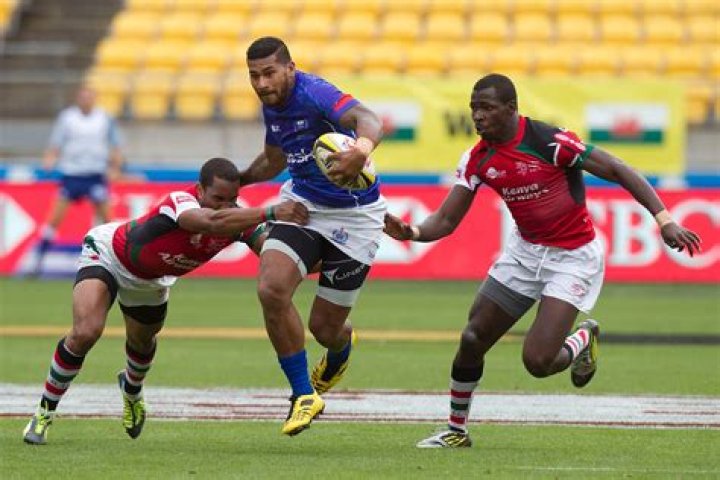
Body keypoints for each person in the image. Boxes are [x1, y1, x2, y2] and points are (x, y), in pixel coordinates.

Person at [383, 74, 702, 448]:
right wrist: (413, 232)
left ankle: (582, 339)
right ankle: (456, 431)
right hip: (524, 253)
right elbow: (446, 220)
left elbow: (617, 168)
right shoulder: (477, 158)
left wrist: (665, 220)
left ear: (511, 109)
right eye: (473, 108)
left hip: (572, 258)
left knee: (537, 362)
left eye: (486, 108)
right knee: (472, 338)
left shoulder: (548, 141)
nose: (478, 116)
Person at [22, 157, 309, 445]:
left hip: (151, 280)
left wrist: (320, 258)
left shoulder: (238, 221)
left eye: (231, 199)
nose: (225, 206)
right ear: (200, 190)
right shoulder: (180, 201)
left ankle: (132, 389)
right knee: (86, 331)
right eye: (217, 198)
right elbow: (209, 222)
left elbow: (275, 255)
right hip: (109, 254)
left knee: (142, 343)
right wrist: (271, 211)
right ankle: (43, 412)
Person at [241, 36, 386, 436]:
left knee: (325, 329)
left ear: (290, 68)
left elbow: (368, 118)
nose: (262, 83)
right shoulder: (272, 103)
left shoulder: (315, 92)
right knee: (271, 289)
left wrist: (361, 149)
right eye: (254, 76)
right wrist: (239, 179)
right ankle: (304, 394)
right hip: (303, 206)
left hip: (356, 218)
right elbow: (274, 160)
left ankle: (341, 348)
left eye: (269, 73)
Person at [34, 85, 125, 276]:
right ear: (78, 99)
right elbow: (56, 142)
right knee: (55, 218)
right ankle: (38, 262)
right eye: (83, 97)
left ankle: (118, 262)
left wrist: (116, 167)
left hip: (95, 174)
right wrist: (50, 159)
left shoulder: (104, 118)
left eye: (89, 97)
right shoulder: (67, 118)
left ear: (94, 99)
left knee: (108, 220)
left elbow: (115, 144)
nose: (86, 100)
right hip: (72, 174)